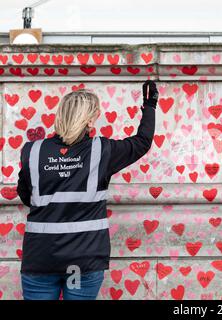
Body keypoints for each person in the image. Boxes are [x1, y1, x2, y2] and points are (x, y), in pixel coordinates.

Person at [16, 80, 158, 300]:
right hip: (83, 260)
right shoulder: (102, 150)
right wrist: (149, 107)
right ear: (90, 119)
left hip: (40, 258)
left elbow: (26, 195)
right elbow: (141, 142)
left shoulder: (31, 150)